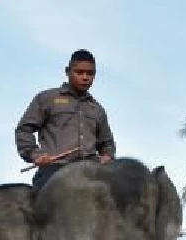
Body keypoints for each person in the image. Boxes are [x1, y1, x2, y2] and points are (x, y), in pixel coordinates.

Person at [15, 49, 116, 191]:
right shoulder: (47, 98)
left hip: (90, 173)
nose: (85, 77)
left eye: (90, 73)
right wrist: (35, 155)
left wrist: (107, 156)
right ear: (68, 71)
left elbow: (107, 143)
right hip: (54, 170)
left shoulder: (97, 109)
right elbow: (24, 130)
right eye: (79, 72)